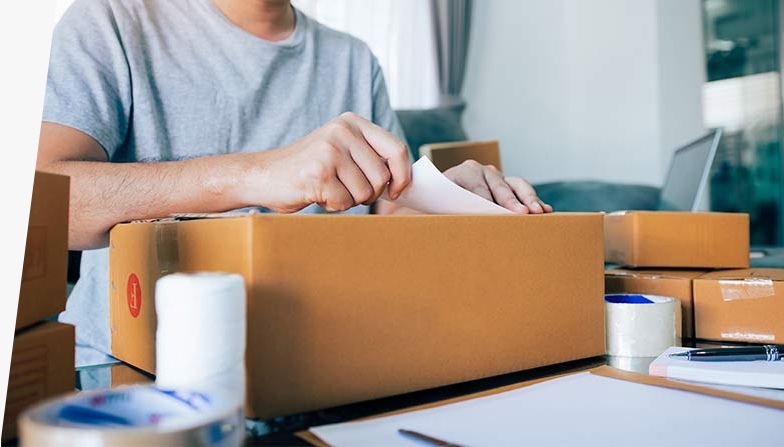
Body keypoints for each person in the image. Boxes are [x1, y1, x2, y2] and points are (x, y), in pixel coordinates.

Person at [37, 0, 553, 369]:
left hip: (317, 364)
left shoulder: (352, 58)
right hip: (127, 367)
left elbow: (388, 212)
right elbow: (47, 205)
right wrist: (258, 173)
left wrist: (448, 195)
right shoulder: (109, 21)